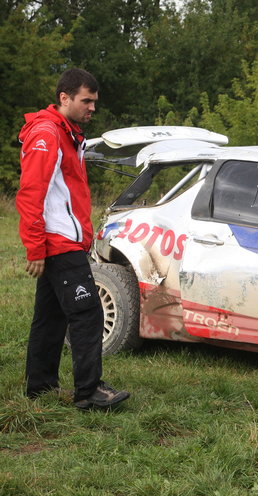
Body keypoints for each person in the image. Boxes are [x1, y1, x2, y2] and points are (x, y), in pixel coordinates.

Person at [16, 68, 130, 410]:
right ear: (64, 98)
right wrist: (35, 247)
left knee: (50, 317)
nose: (92, 107)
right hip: (58, 242)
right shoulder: (48, 134)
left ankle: (40, 387)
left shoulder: (67, 133)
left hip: (63, 241)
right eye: (86, 101)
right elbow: (30, 193)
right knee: (87, 314)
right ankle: (89, 391)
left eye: (94, 101)